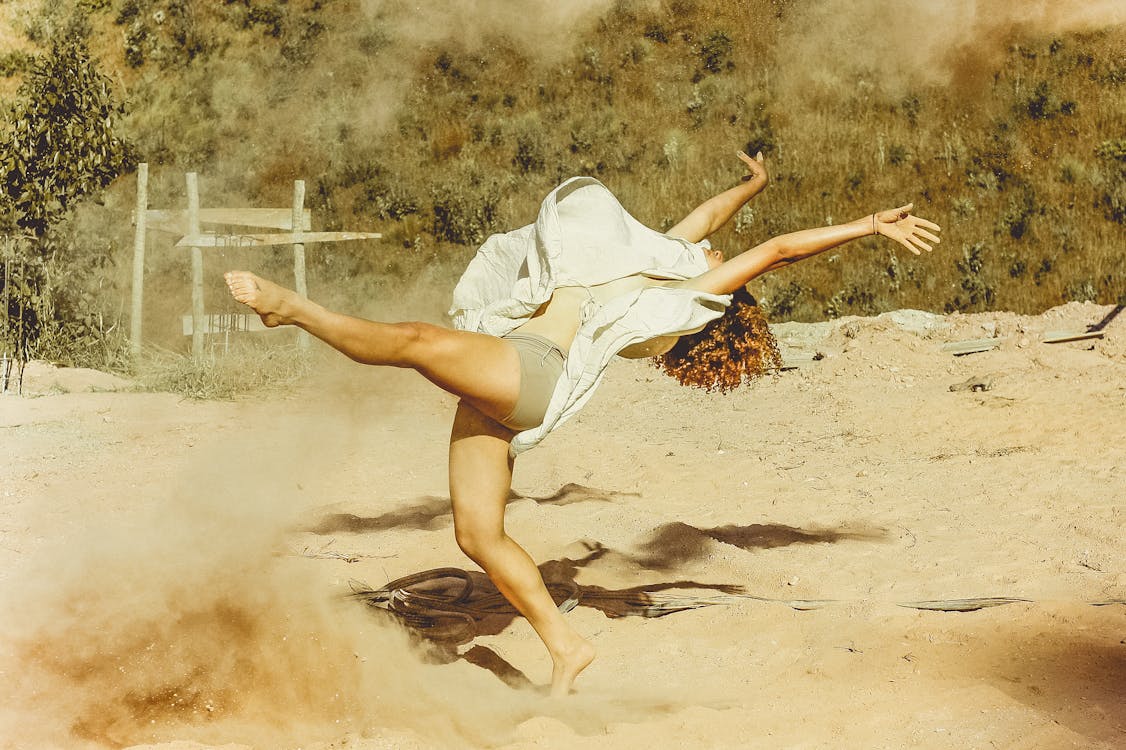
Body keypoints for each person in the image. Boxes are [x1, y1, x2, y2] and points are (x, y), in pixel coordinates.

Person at [224, 152, 940, 696]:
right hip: (505, 386)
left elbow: (777, 248)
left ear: (725, 297)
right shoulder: (650, 259)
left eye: (723, 262)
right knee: (477, 534)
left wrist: (869, 225)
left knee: (413, 342)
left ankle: (293, 311)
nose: (714, 248)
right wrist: (752, 185)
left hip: (530, 369)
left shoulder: (689, 291)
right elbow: (706, 220)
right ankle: (567, 648)